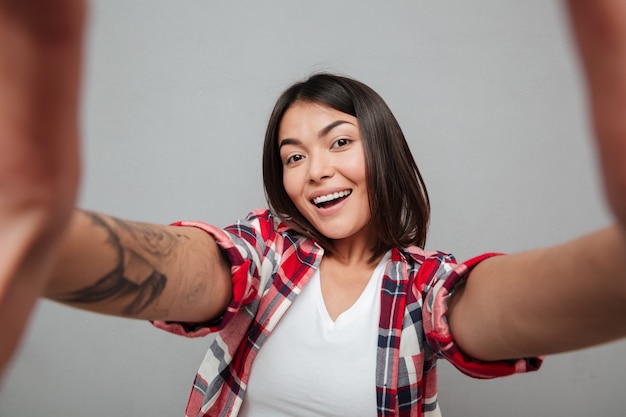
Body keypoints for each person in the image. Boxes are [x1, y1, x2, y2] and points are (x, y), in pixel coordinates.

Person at [1, 1, 626, 416]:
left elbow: (502, 306)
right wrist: (39, 236)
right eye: (292, 156)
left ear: (381, 147)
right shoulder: (270, 250)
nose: (315, 170)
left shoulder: (421, 288)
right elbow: (193, 271)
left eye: (340, 142)